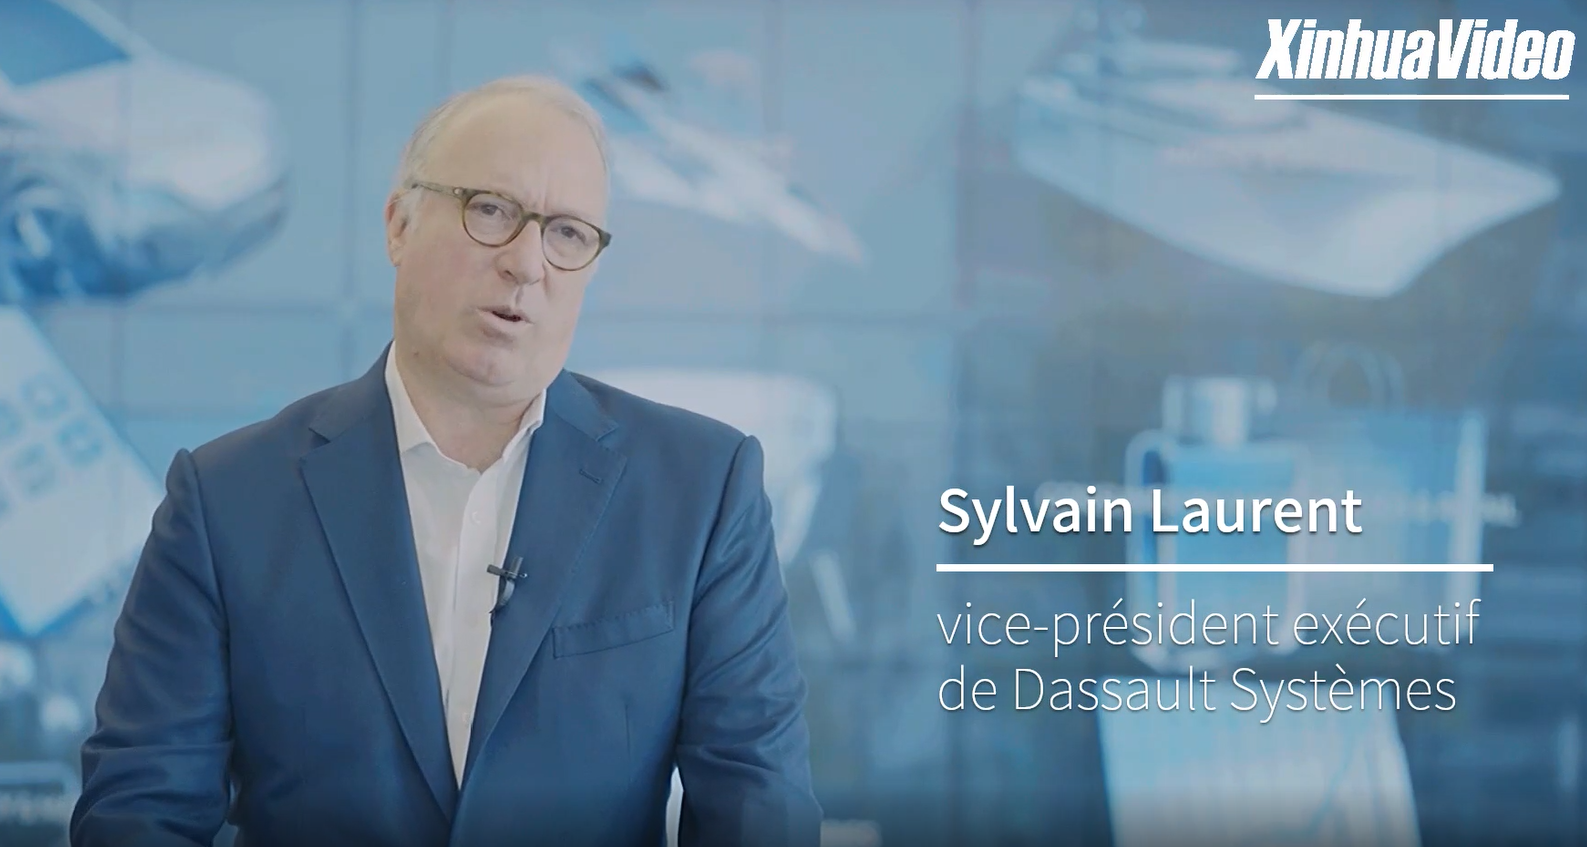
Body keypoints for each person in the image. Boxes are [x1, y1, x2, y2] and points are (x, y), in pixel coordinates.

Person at [69, 75, 822, 847]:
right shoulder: (225, 501)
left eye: (567, 233)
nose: (526, 263)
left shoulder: (701, 490)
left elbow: (759, 810)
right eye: (490, 210)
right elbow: (139, 813)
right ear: (398, 225)